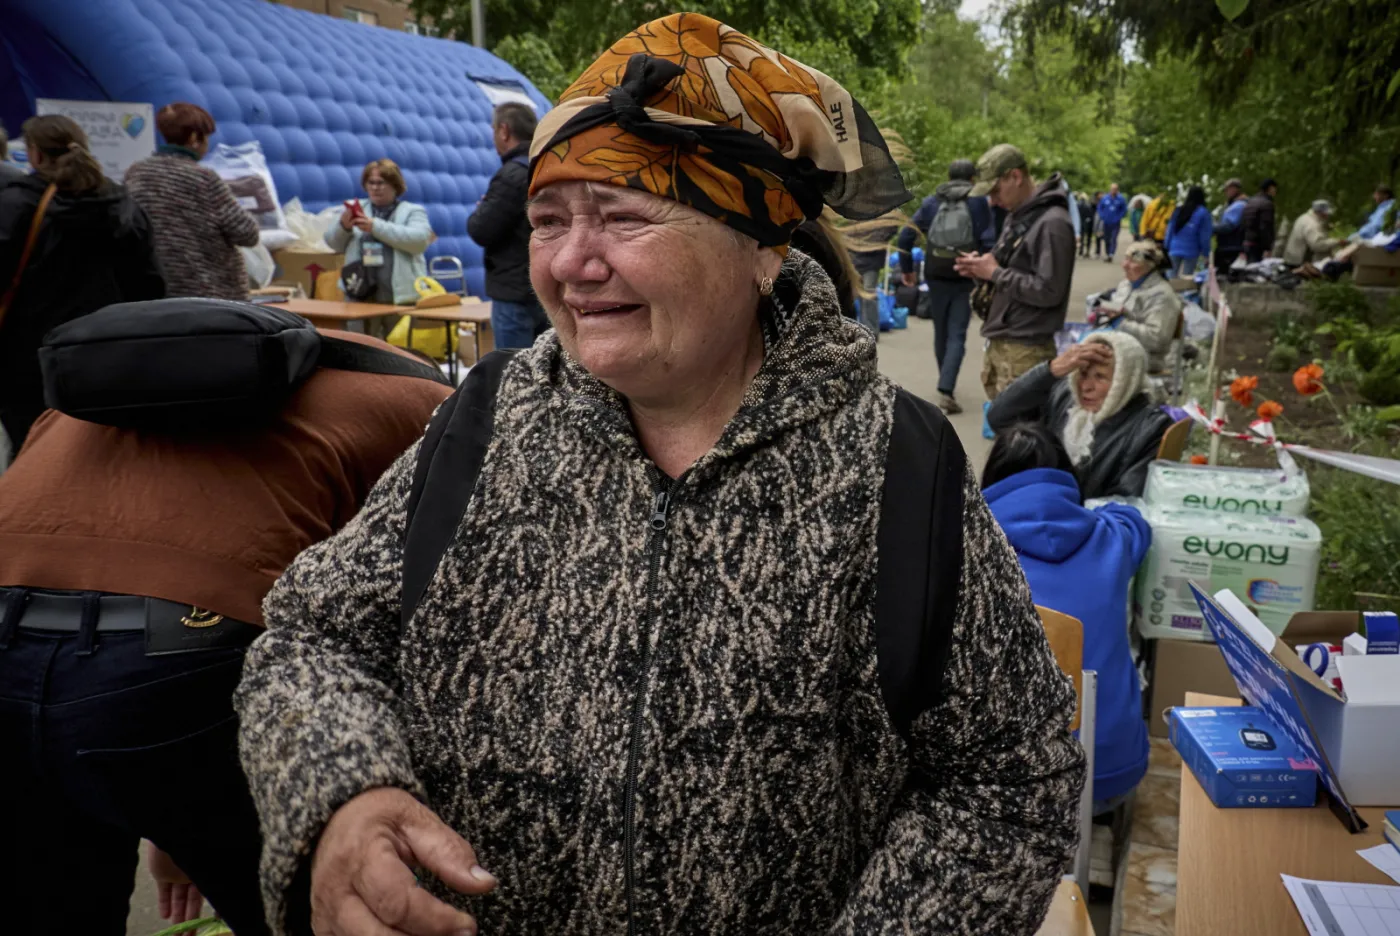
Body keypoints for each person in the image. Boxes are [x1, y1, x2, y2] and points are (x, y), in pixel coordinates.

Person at [235, 15, 1085, 936]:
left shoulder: (896, 463)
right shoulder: (485, 424)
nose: (571, 263)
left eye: (624, 216)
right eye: (549, 222)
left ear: (762, 244)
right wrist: (345, 796)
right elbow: (314, 637)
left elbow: (1011, 776)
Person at [0, 309, 452, 936]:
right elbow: (427, 616)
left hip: (12, 631)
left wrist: (168, 827)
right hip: (180, 657)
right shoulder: (426, 402)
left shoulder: (95, 394)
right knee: (315, 906)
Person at [981, 422, 1152, 816]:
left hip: (1004, 789)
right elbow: (1136, 520)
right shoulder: (1113, 536)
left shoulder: (965, 547)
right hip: (1109, 776)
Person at [0, 115, 164, 452]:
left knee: (34, 450)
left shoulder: (16, 204)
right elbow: (150, 283)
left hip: (28, 356)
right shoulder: (123, 206)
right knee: (101, 450)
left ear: (35, 154)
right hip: (108, 350)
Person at [955, 143, 1076, 401]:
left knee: (1019, 425)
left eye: (995, 190)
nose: (992, 200)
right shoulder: (1020, 215)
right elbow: (1010, 270)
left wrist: (995, 273)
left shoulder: (1053, 223)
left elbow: (1049, 290)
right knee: (1002, 422)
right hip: (1007, 343)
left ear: (1016, 176)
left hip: (1026, 350)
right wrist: (981, 269)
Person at [987, 331, 1172, 499]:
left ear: (1125, 381)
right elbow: (999, 418)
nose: (1086, 386)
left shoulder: (1149, 427)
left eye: (1100, 377)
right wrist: (1051, 370)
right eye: (1083, 374)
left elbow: (1126, 501)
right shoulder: (1064, 397)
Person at [124, 102, 260, 300]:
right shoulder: (204, 179)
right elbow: (247, 234)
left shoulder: (135, 173)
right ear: (194, 138)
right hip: (208, 295)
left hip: (155, 293)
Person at [897, 159, 996, 413]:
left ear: (949, 176)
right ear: (972, 179)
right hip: (966, 273)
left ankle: (945, 380)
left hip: (935, 273)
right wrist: (987, 272)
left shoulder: (932, 202)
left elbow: (906, 236)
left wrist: (907, 269)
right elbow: (989, 240)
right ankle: (946, 388)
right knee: (957, 332)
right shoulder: (978, 202)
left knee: (940, 331)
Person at [468, 102, 549, 349]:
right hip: (546, 286)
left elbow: (481, 229)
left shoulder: (511, 175)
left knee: (513, 365)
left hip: (514, 292)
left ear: (504, 131)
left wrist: (483, 208)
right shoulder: (546, 169)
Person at [326, 158, 433, 336]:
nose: (375, 188)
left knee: (399, 348)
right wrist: (343, 227)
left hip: (399, 298)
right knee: (360, 346)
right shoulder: (355, 208)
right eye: (371, 183)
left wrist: (375, 227)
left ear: (395, 185)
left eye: (381, 183)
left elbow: (420, 241)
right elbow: (332, 244)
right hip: (359, 294)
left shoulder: (412, 211)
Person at [1089, 240, 1182, 371]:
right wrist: (1106, 312)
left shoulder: (1162, 296)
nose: (1125, 265)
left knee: (1088, 361)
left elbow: (1157, 340)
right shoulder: (1126, 285)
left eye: (1133, 262)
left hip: (1145, 357)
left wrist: (1119, 322)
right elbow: (1123, 311)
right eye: (1126, 259)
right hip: (1119, 346)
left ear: (1149, 266)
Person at [1164, 185, 1212, 278]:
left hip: (1174, 248)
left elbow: (1170, 230)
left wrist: (1166, 246)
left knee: (1170, 278)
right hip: (1192, 250)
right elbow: (1204, 236)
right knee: (1187, 279)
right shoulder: (1203, 213)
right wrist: (1206, 253)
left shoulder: (1178, 210)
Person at [1283, 199, 1342, 268]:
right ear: (1319, 213)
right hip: (1300, 263)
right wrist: (1337, 242)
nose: (1327, 216)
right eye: (1325, 214)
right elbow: (1318, 245)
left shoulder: (1304, 217)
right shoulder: (1312, 224)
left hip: (1292, 259)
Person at [1213, 178, 1248, 273]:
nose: (1226, 193)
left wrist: (1210, 228)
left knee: (1223, 275)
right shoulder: (1232, 205)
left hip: (1231, 247)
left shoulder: (1239, 205)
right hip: (1230, 246)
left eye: (1227, 190)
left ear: (1234, 189)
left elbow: (1228, 226)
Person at [1242, 177, 1278, 263]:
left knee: (1250, 268)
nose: (1275, 191)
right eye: (1274, 189)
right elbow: (1265, 227)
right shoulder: (1267, 204)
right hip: (1258, 245)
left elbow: (1243, 223)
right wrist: (1268, 248)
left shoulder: (1250, 202)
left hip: (1247, 242)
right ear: (1270, 188)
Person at [1097, 183, 1127, 262]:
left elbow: (1124, 210)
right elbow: (1100, 208)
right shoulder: (1105, 198)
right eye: (1112, 189)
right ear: (1110, 189)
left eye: (1115, 189)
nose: (1113, 191)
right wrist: (1102, 216)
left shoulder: (1121, 199)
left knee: (1113, 238)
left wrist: (1119, 217)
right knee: (1106, 239)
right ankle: (1108, 253)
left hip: (1115, 223)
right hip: (1106, 222)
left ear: (1117, 190)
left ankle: (1111, 254)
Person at [1077, 191, 1096, 257]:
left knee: (1081, 237)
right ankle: (1087, 250)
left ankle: (1081, 250)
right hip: (1087, 223)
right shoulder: (1088, 205)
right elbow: (1091, 215)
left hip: (1080, 223)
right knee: (1088, 237)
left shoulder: (1077, 205)